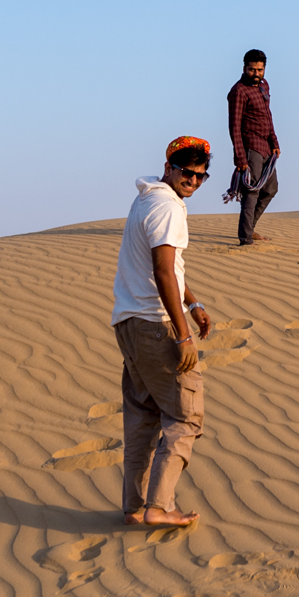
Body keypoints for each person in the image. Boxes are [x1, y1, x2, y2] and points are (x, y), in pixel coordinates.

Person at [110, 135, 214, 528]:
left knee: (142, 414)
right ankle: (159, 506)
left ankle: (133, 507)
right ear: (169, 166)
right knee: (186, 417)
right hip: (156, 324)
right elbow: (162, 269)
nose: (192, 180)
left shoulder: (146, 199)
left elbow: (167, 267)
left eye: (200, 175)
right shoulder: (167, 207)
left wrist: (194, 302)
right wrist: (183, 334)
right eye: (186, 172)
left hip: (129, 323)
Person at [226, 49, 280, 246]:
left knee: (271, 189)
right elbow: (234, 127)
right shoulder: (238, 91)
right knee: (252, 192)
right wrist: (240, 157)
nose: (256, 73)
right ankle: (246, 238)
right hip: (251, 147)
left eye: (259, 69)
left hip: (266, 147)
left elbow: (268, 115)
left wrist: (275, 142)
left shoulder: (264, 85)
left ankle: (250, 228)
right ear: (244, 68)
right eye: (252, 69)